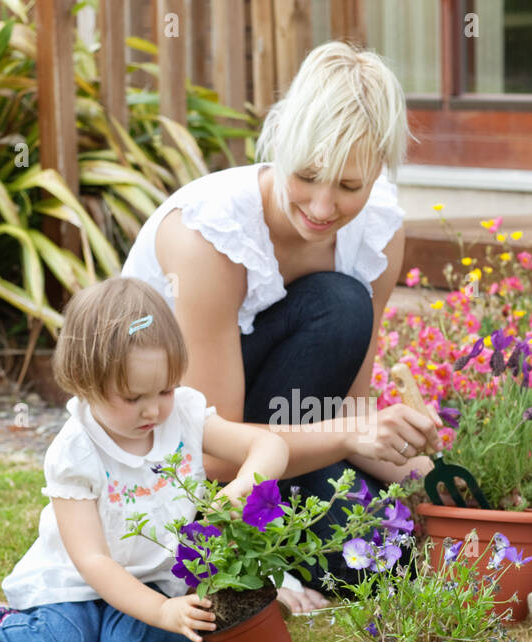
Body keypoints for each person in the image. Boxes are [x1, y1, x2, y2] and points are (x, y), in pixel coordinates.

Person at [120, 41, 440, 606]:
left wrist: (409, 462)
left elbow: (340, 404)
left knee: (380, 568)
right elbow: (210, 449)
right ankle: (245, 547)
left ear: (378, 174)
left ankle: (280, 529)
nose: (321, 207)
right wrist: (349, 435)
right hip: (174, 455)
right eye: (307, 174)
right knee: (338, 303)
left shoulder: (378, 230)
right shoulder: (208, 237)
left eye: (349, 186)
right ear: (279, 143)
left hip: (278, 446)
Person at [0, 278, 289, 642]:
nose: (153, 411)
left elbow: (270, 446)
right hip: (73, 585)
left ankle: (169, 617)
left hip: (155, 578)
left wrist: (240, 489)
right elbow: (92, 560)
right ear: (85, 384)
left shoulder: (182, 415)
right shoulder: (75, 451)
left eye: (165, 390)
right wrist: (162, 614)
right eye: (133, 397)